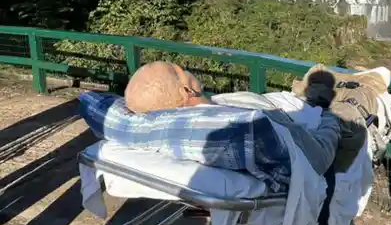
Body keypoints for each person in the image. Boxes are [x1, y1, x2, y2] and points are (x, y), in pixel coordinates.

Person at [124, 61, 342, 177]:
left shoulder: (180, 129)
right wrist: (332, 120)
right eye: (178, 69)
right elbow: (319, 158)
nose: (185, 68)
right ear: (186, 90)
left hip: (283, 104)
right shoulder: (253, 126)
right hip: (307, 119)